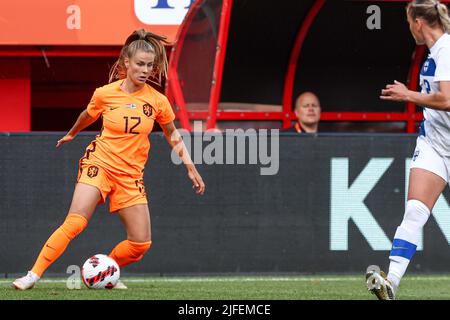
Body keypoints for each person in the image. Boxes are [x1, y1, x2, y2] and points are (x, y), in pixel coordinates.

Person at [12, 29, 205, 290]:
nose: (145, 70)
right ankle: (32, 275)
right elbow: (87, 115)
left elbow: (173, 135)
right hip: (100, 164)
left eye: (150, 65)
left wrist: (190, 168)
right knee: (76, 221)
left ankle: (105, 269)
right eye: (140, 64)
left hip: (130, 176)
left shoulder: (158, 101)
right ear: (127, 62)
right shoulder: (105, 93)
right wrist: (71, 133)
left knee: (140, 244)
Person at [366, 0, 450, 300]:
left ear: (418, 22)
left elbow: (446, 100)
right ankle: (391, 282)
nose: (408, 28)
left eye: (408, 22)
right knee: (414, 211)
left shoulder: (447, 49)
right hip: (435, 144)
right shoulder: (432, 53)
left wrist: (407, 94)